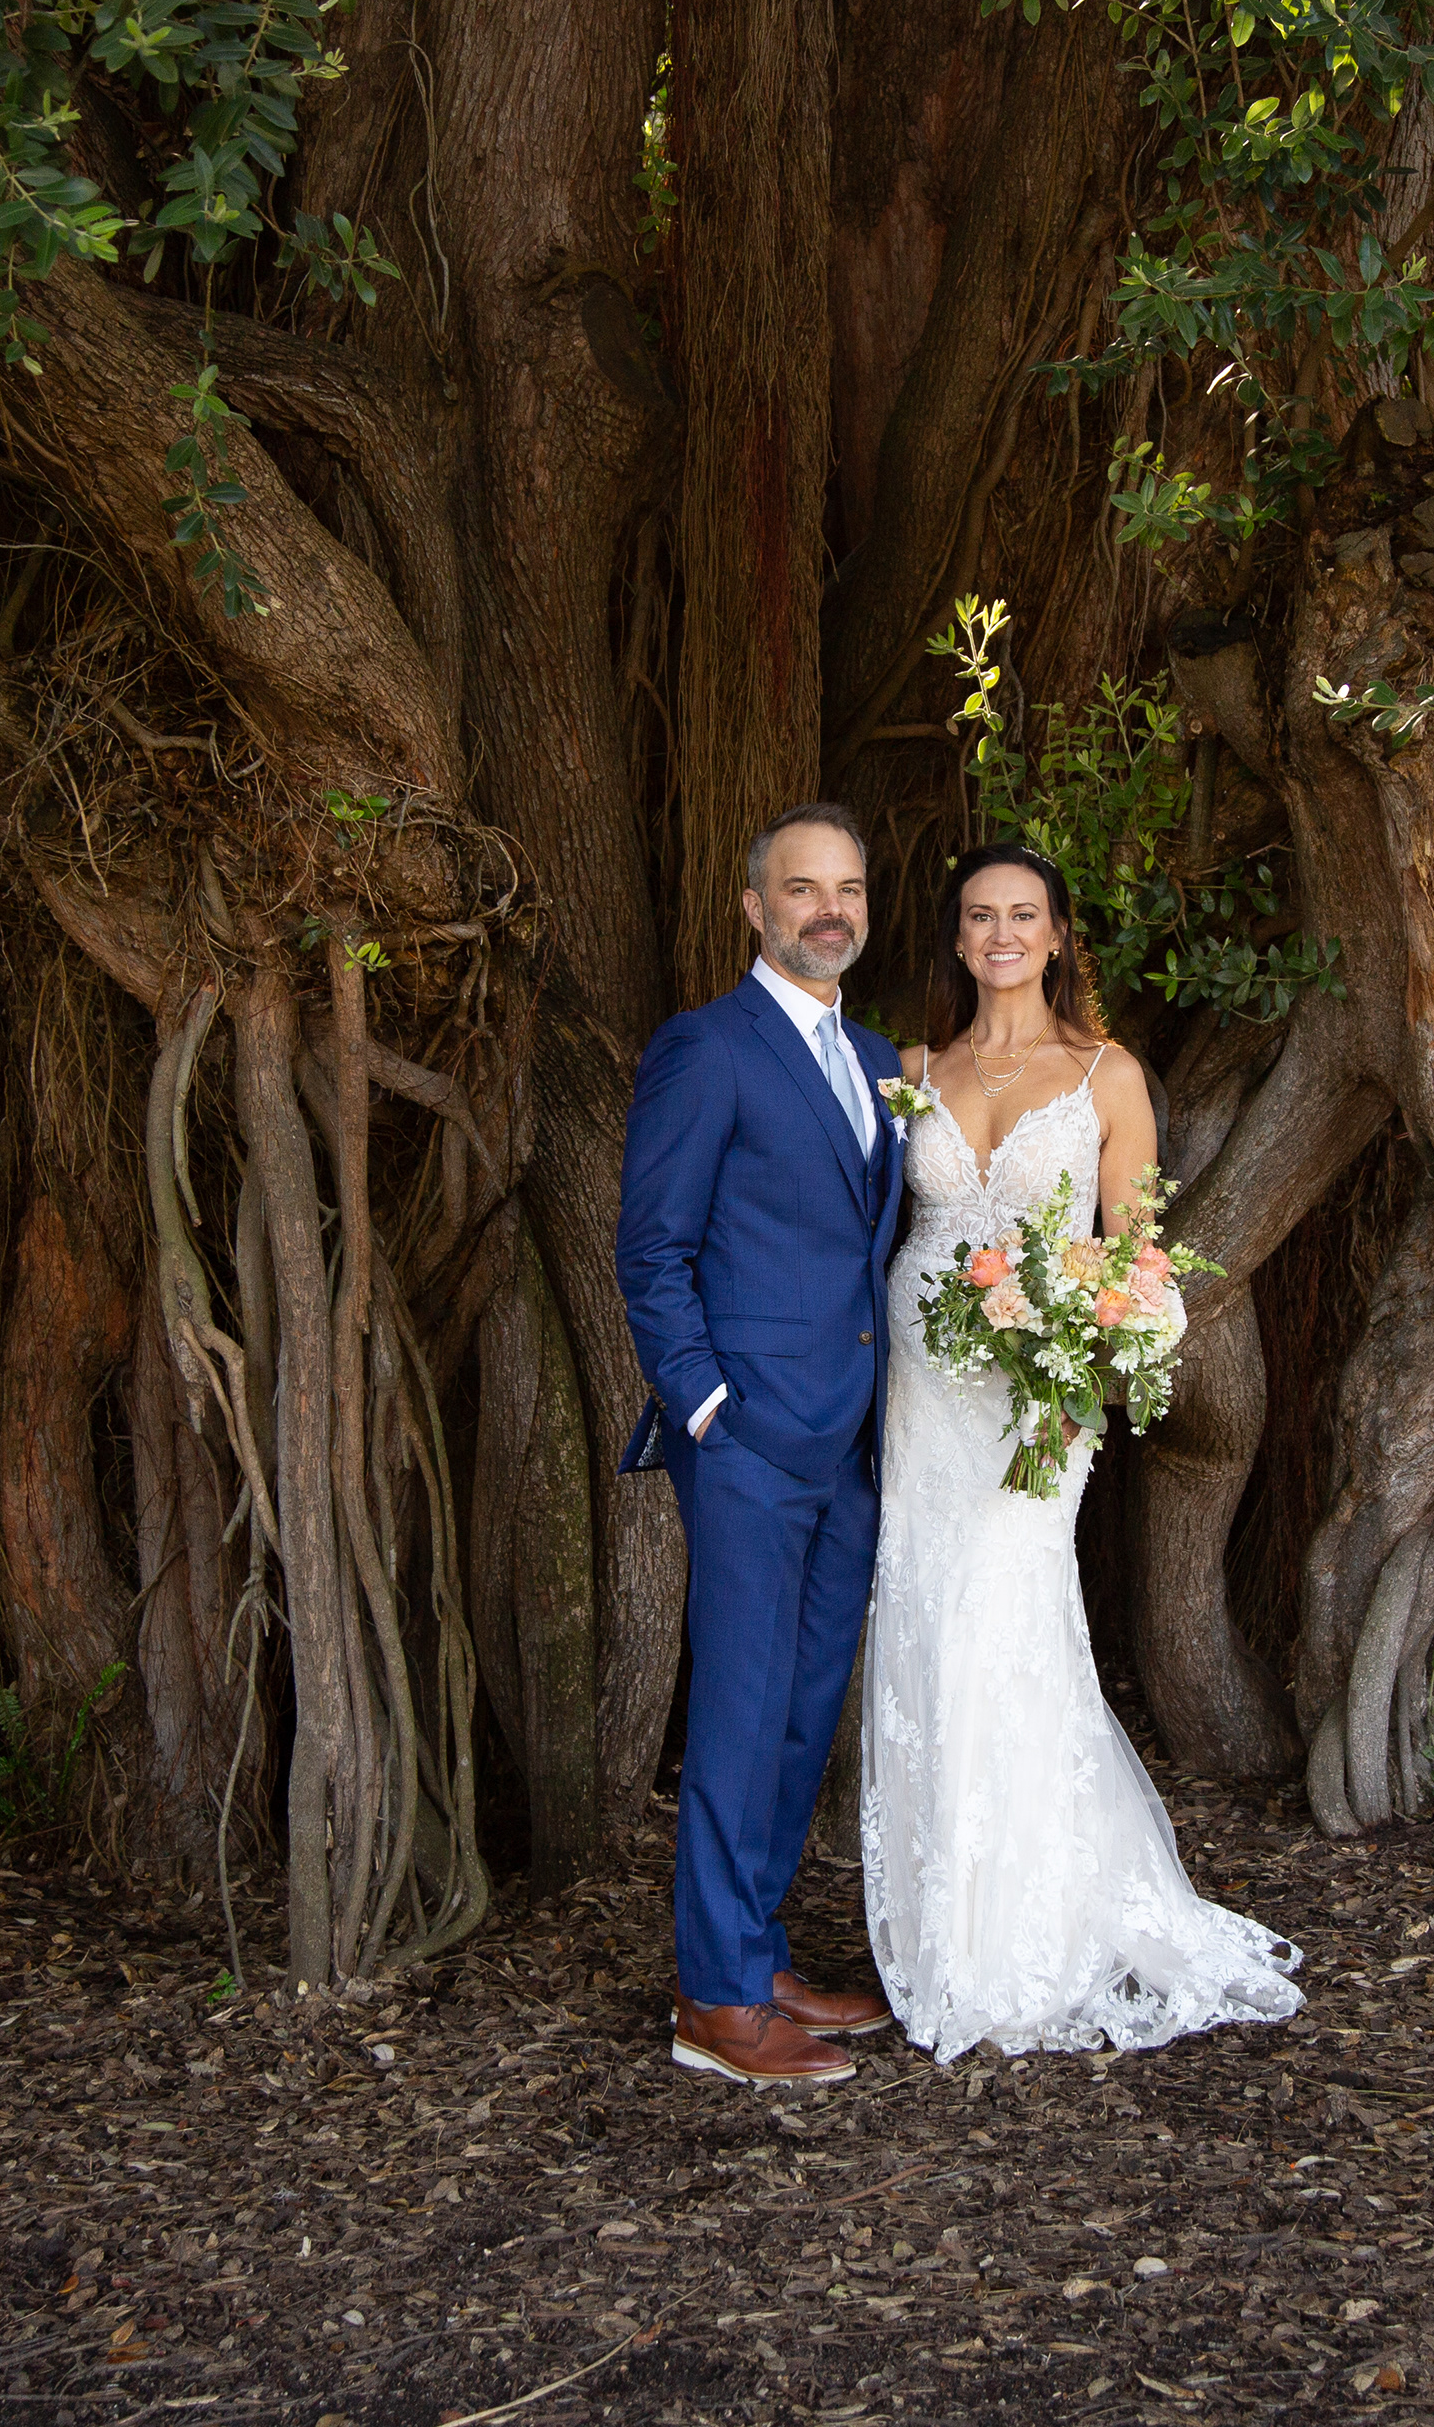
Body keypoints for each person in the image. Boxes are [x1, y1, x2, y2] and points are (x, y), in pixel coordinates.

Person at [860, 843, 1302, 2059]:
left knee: (1009, 1621)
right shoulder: (908, 1073)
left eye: (1025, 914)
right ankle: (943, 1920)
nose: (1002, 933)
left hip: (1036, 1402)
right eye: (979, 915)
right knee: (927, 1622)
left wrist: (1083, 1375)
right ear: (957, 938)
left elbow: (1137, 1256)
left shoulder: (1109, 1076)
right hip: (924, 1392)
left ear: (1058, 935)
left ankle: (1029, 1925)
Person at [614, 802, 908, 2085]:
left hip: (852, 1441)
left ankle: (758, 1948)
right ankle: (714, 2004)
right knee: (737, 1712)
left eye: (845, 888)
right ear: (755, 907)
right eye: (801, 889)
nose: (827, 909)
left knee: (799, 1713)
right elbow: (652, 1248)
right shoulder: (708, 1048)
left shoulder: (882, 1056)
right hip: (746, 1438)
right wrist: (705, 1408)